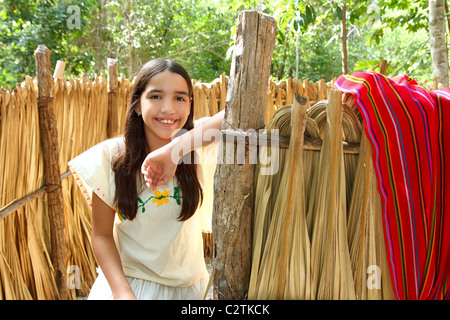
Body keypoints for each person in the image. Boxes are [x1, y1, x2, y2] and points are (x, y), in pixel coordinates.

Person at [68, 58, 224, 300]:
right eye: (156, 96)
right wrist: (122, 293)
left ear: (190, 104)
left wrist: (175, 150)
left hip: (190, 291)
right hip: (131, 288)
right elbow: (101, 235)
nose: (169, 108)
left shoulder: (196, 145)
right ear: (138, 104)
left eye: (180, 98)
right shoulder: (112, 157)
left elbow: (233, 116)